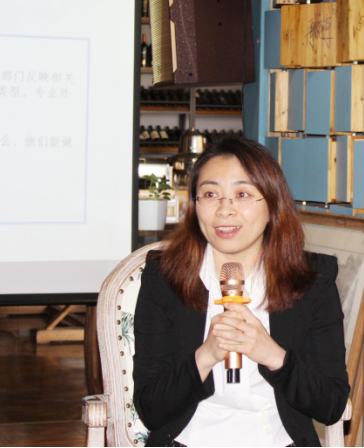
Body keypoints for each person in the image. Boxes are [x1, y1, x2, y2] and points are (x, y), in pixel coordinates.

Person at [133, 135, 350, 448]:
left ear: (272, 204)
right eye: (210, 194)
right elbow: (151, 409)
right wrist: (206, 356)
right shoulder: (164, 277)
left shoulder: (312, 280)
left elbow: (330, 405)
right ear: (194, 206)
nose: (225, 210)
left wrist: (271, 354)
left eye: (243, 194)